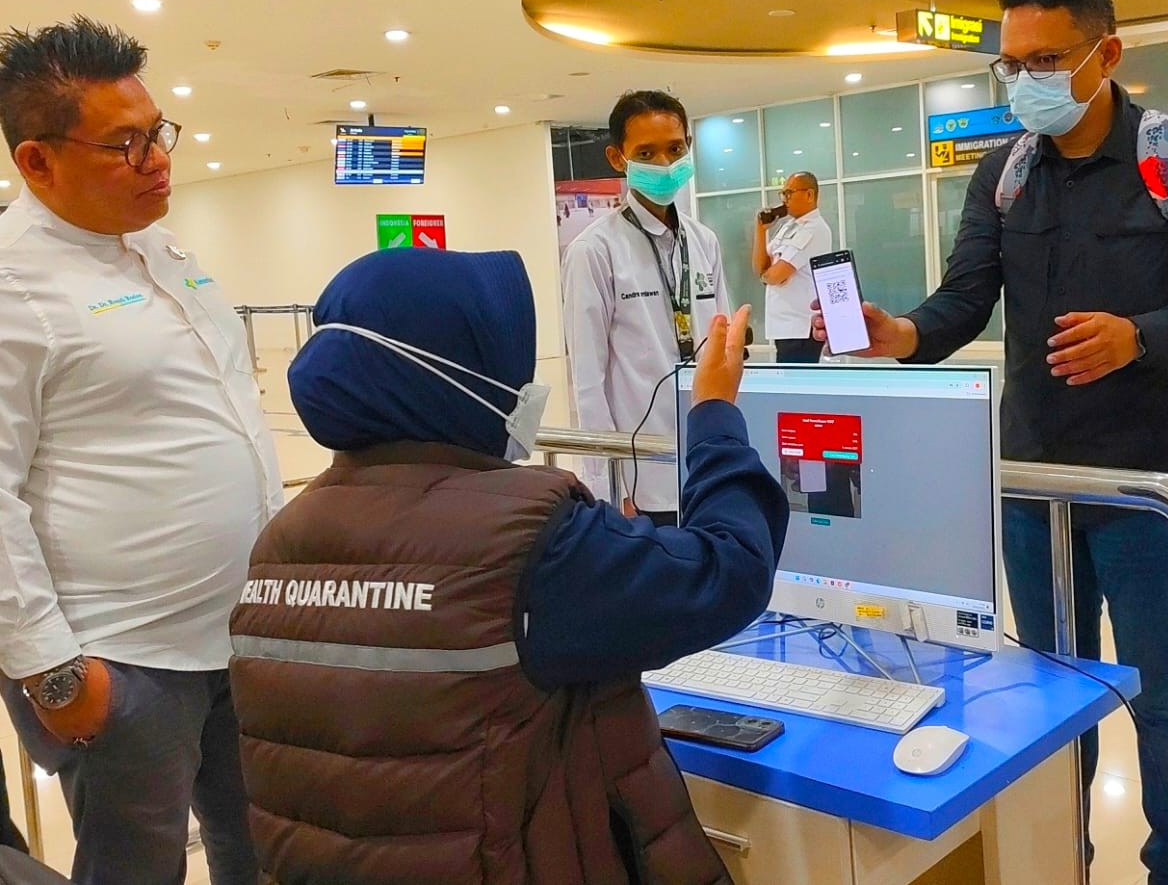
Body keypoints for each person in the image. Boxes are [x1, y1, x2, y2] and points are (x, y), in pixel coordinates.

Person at [815, 0, 1168, 884]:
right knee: (1048, 695)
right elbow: (962, 302)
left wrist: (1141, 337)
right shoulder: (1006, 173)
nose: (1023, 79)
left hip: (1150, 490)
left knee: (1166, 699)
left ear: (1107, 52)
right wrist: (899, 331)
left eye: (1046, 58)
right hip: (1033, 490)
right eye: (1010, 61)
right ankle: (1055, 853)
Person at [228, 247, 788, 885]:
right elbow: (727, 571)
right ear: (457, 371)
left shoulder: (283, 540)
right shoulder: (526, 542)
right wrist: (714, 413)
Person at [0, 17, 283, 884]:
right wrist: (54, 673)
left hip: (237, 639)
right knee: (136, 870)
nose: (157, 159)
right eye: (123, 144)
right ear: (37, 161)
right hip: (123, 661)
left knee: (263, 852)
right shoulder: (14, 285)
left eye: (156, 132)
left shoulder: (161, 249)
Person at [562, 90, 732, 525]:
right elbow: (588, 379)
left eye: (675, 149)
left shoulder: (703, 240)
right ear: (618, 159)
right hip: (640, 478)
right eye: (647, 152)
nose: (665, 164)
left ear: (689, 147)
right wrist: (606, 484)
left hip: (707, 458)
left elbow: (722, 346)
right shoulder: (594, 251)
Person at [752, 171, 832, 363]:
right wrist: (761, 230)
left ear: (809, 195)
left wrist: (768, 276)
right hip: (784, 326)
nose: (784, 199)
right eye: (783, 194)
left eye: (789, 193)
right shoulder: (788, 226)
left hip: (800, 327)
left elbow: (775, 276)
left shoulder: (814, 229)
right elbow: (759, 267)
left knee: (798, 387)